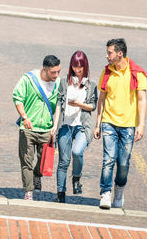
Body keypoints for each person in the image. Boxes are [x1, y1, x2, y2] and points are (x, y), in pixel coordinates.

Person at [93, 38, 147, 209]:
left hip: (128, 125)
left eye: (109, 53)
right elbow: (101, 98)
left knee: (123, 163)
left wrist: (141, 124)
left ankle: (119, 190)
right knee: (108, 159)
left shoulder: (136, 73)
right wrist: (98, 123)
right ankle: (105, 193)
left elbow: (142, 100)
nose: (106, 56)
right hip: (109, 121)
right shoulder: (107, 72)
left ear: (120, 54)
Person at [51, 51, 98, 203]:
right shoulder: (64, 83)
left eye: (80, 66)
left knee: (77, 152)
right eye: (74, 66)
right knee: (63, 161)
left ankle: (76, 177)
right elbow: (59, 104)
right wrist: (54, 125)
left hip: (82, 126)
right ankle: (60, 194)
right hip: (66, 124)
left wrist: (79, 104)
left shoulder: (91, 85)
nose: (77, 69)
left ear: (85, 66)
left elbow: (93, 106)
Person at [13, 55, 61, 200]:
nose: (57, 75)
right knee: (26, 161)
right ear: (45, 70)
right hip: (28, 128)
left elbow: (59, 104)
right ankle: (28, 191)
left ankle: (37, 175)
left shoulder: (58, 83)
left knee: (43, 162)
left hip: (46, 129)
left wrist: (54, 124)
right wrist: (24, 117)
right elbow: (18, 97)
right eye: (53, 72)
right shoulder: (28, 79)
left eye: (59, 71)